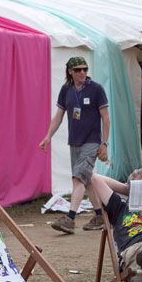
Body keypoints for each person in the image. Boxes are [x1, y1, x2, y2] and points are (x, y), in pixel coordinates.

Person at [39, 57, 109, 234]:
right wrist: (48, 137)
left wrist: (104, 143)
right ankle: (100, 216)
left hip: (92, 141)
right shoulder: (66, 90)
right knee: (87, 180)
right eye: (78, 70)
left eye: (85, 69)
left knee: (78, 178)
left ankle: (70, 218)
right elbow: (58, 116)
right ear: (70, 71)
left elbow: (106, 118)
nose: (82, 72)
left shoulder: (96, 89)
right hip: (74, 142)